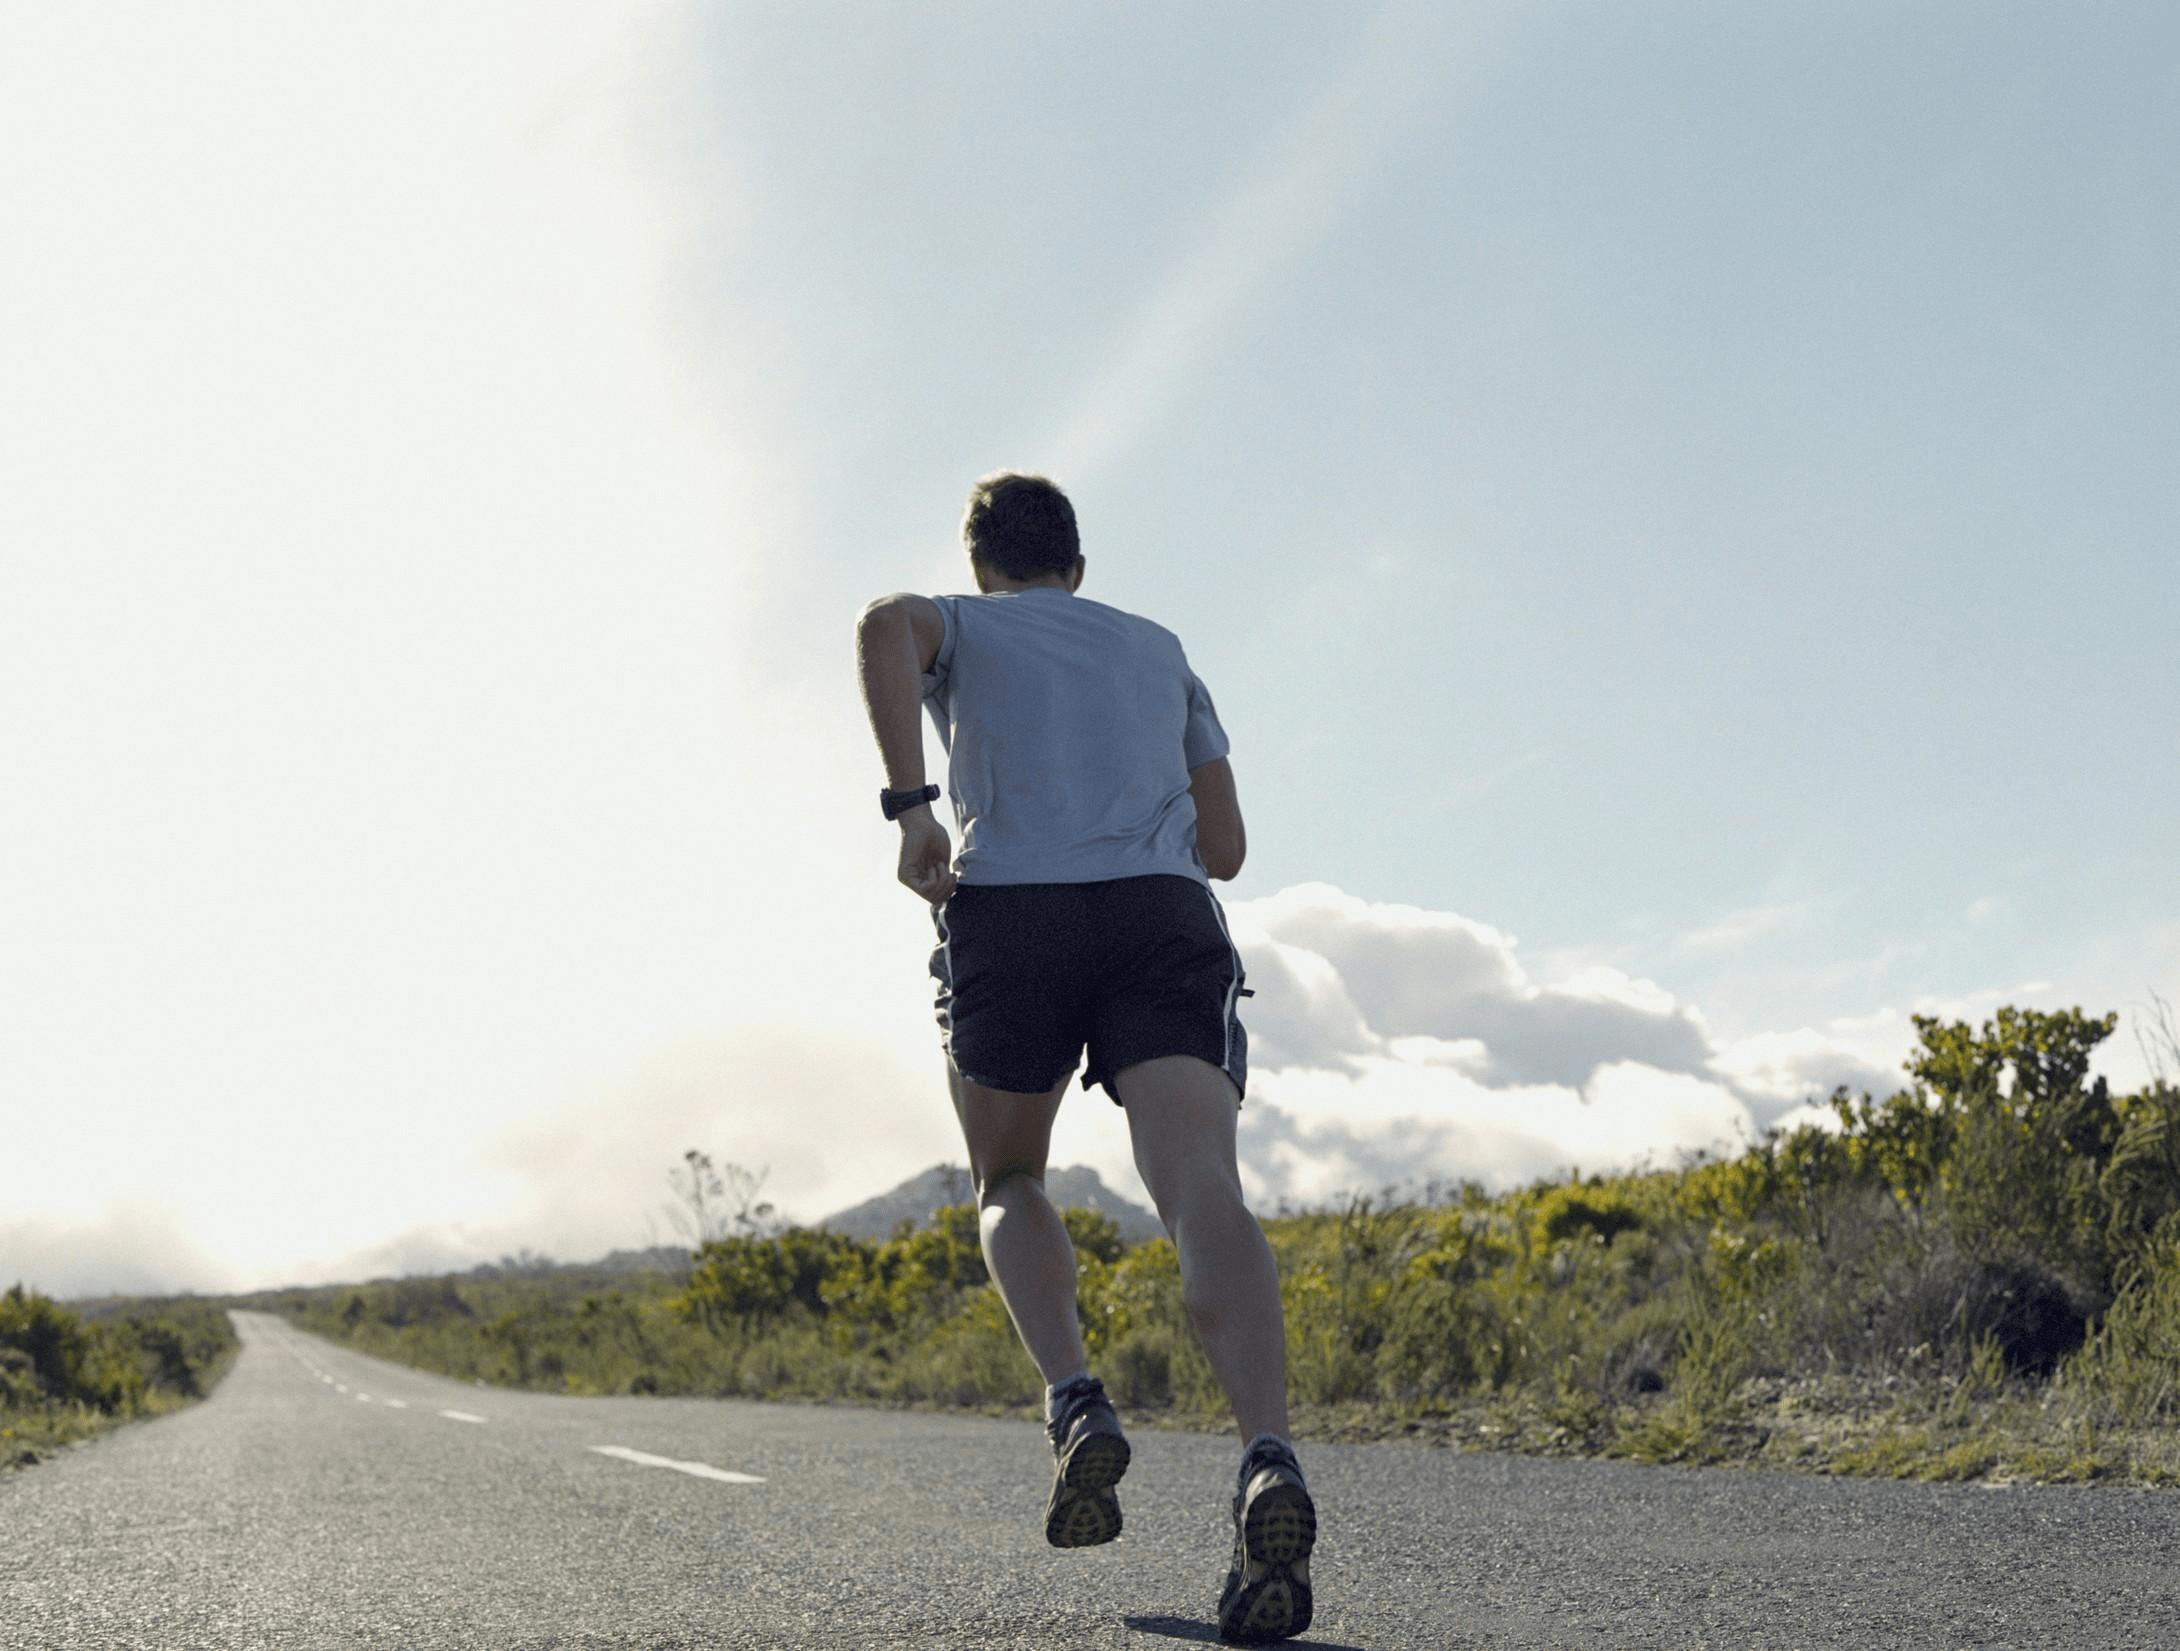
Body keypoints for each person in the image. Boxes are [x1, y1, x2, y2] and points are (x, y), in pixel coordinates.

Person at [853, 472, 1318, 1645]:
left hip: (1013, 912)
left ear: (981, 566)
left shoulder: (966, 626)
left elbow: (881, 625)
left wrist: (913, 807)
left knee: (1008, 1178)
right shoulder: (1159, 649)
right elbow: (1225, 846)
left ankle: (1073, 1399)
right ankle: (1266, 1454)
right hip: (1158, 911)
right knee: (1200, 1187)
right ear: (1078, 563)